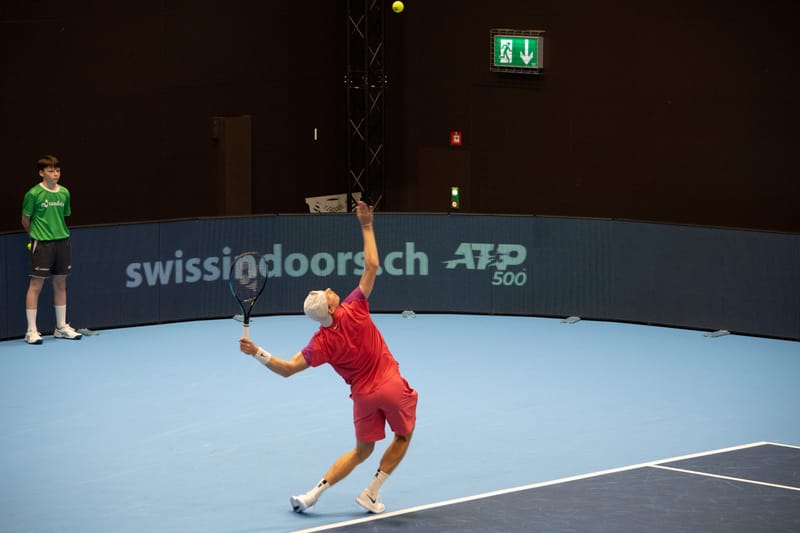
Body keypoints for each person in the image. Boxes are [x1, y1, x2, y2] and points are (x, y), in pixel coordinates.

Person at [239, 200, 417, 514]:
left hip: (362, 397)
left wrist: (257, 353)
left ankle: (312, 494)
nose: (331, 289)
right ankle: (371, 492)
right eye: (328, 294)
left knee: (362, 451)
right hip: (389, 385)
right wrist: (366, 225)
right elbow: (372, 265)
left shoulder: (319, 343)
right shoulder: (354, 308)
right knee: (403, 436)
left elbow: (288, 369)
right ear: (332, 308)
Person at [21, 154, 82, 344]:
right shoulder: (33, 194)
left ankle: (61, 327)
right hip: (42, 243)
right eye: (51, 171)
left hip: (62, 242)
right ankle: (31, 330)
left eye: (58, 170)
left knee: (61, 284)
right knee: (36, 286)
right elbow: (25, 220)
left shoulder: (64, 192)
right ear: (41, 173)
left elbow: (64, 216)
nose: (55, 174)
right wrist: (35, 237)